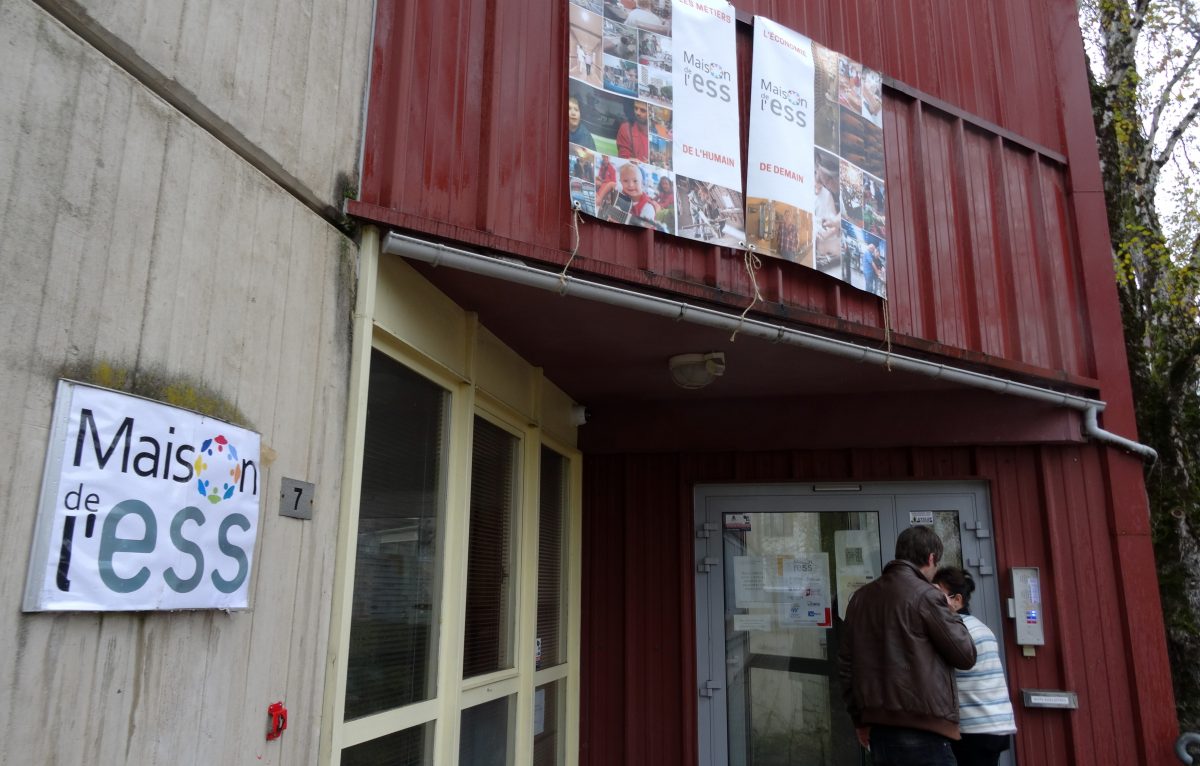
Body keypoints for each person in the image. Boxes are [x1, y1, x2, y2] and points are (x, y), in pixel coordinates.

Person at [838, 525, 976, 766]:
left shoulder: (860, 598)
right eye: (936, 563)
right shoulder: (927, 596)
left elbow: (846, 666)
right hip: (923, 728)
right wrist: (950, 607)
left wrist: (859, 720)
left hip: (879, 730)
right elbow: (965, 655)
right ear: (931, 558)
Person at [933, 567, 1017, 766]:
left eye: (938, 595)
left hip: (974, 728)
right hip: (996, 725)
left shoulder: (957, 631)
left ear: (957, 600)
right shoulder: (981, 627)